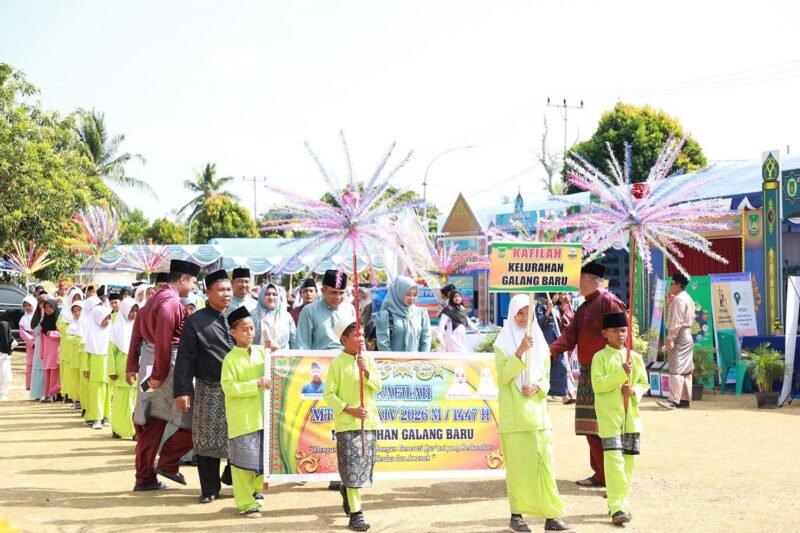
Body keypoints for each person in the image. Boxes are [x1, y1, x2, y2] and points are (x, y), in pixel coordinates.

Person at [494, 294, 572, 532]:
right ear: (512, 314)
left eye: (528, 313)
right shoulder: (502, 343)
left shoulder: (539, 339)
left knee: (545, 467)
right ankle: (516, 516)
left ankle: (552, 516)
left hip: (538, 416)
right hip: (515, 419)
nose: (524, 317)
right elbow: (503, 377)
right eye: (520, 313)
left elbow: (546, 377)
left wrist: (538, 386)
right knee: (518, 470)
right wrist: (518, 352)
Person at [548, 262, 626, 489]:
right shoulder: (584, 308)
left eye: (577, 280)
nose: (575, 285)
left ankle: (608, 475)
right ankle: (600, 473)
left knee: (606, 426)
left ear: (586, 279)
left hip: (606, 371)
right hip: (587, 370)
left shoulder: (609, 301)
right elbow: (569, 336)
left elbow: (624, 334)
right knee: (589, 426)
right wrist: (550, 351)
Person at [126, 259, 201, 491]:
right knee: (197, 417)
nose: (194, 287)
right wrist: (159, 374)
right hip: (167, 367)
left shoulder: (151, 301)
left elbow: (137, 335)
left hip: (148, 366)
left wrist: (132, 365)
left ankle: (145, 477)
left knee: (150, 422)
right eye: (194, 282)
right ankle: (168, 462)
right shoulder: (170, 304)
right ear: (182, 279)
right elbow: (164, 343)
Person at [174, 269, 235, 503]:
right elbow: (185, 358)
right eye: (221, 290)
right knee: (207, 441)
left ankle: (234, 478)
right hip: (209, 388)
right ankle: (210, 489)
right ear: (208, 292)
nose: (226, 294)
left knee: (241, 438)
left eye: (228, 289)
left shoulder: (239, 316)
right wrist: (182, 390)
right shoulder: (195, 322)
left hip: (240, 390)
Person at [323, 316, 382, 532]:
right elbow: (328, 395)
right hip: (347, 424)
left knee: (361, 469)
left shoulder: (368, 359)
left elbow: (378, 386)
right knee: (353, 469)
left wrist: (366, 370)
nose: (361, 339)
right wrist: (349, 409)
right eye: (356, 335)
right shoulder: (337, 364)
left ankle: (345, 488)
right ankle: (356, 514)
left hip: (369, 422)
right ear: (344, 339)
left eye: (363, 335)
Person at [591, 312, 649, 526]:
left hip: (631, 419)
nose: (620, 335)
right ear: (605, 333)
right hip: (609, 420)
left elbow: (644, 383)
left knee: (628, 465)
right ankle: (617, 508)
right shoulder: (600, 358)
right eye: (615, 331)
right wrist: (620, 374)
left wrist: (634, 391)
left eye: (623, 330)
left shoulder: (635, 358)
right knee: (614, 463)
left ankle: (623, 504)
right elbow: (598, 385)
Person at [220, 306, 269, 518]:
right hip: (242, 418)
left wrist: (274, 351)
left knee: (261, 460)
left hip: (262, 416)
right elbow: (229, 388)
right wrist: (255, 384)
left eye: (252, 328)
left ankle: (256, 491)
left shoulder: (261, 353)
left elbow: (276, 368)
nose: (250, 333)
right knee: (241, 464)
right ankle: (246, 503)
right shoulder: (230, 359)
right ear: (233, 333)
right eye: (244, 330)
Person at [658, 273, 696, 410]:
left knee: (676, 367)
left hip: (679, 334)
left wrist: (670, 338)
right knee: (685, 369)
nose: (670, 285)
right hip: (686, 334)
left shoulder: (679, 300)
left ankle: (673, 400)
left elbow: (676, 321)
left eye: (673, 283)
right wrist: (671, 302)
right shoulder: (686, 298)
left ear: (679, 285)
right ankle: (684, 399)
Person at [297, 270, 356, 351]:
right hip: (320, 361)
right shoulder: (309, 311)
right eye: (334, 293)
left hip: (347, 361)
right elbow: (303, 345)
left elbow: (357, 340)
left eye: (341, 293)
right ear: (323, 291)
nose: (338, 297)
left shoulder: (350, 309)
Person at [108, 298, 138, 440]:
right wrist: (112, 371)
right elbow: (111, 352)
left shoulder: (139, 328)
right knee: (120, 403)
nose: (133, 314)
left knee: (135, 402)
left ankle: (134, 430)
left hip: (136, 372)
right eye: (131, 311)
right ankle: (118, 429)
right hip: (121, 372)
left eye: (135, 311)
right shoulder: (116, 329)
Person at [375, 276, 431, 353]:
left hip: (416, 363)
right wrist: (396, 363)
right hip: (393, 363)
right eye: (408, 294)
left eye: (415, 295)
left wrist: (421, 360)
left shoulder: (421, 314)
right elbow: (383, 344)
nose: (412, 298)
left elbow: (426, 339)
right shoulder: (386, 315)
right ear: (398, 293)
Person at [83, 305, 113, 430]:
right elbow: (86, 353)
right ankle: (96, 417)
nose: (106, 322)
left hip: (108, 367)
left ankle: (105, 416)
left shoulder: (111, 332)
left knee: (107, 393)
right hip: (95, 368)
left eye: (108, 319)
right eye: (104, 319)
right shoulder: (90, 334)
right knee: (96, 393)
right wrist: (86, 368)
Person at [251, 283, 297, 350]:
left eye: (274, 294)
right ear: (261, 296)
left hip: (282, 357)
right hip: (259, 358)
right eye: (267, 294)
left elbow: (294, 340)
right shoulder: (253, 316)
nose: (271, 297)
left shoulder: (286, 316)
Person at [40, 298, 62, 401]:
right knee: (48, 373)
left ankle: (54, 393)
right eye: (46, 307)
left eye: (50, 307)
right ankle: (48, 393)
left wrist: (51, 333)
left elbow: (63, 335)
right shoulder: (44, 323)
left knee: (55, 373)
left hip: (56, 351)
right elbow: (41, 339)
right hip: (47, 352)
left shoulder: (59, 321)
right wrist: (41, 352)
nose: (48, 310)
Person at [64, 301, 84, 411]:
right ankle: (76, 400)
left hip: (83, 356)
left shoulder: (86, 323)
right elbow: (67, 338)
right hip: (73, 355)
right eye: (74, 311)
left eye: (79, 310)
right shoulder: (71, 325)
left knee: (82, 380)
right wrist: (76, 339)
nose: (77, 313)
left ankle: (83, 400)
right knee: (75, 380)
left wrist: (77, 339)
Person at [28, 295, 48, 401]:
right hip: (40, 343)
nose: (43, 306)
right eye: (41, 303)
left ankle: (47, 392)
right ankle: (38, 392)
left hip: (49, 344)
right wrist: (42, 318)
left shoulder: (52, 316)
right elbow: (37, 332)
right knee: (39, 366)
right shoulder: (36, 317)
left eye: (45, 303)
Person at [20, 295, 36, 390]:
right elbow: (22, 332)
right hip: (30, 344)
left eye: (29, 305)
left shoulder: (37, 317)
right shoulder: (24, 319)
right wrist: (31, 342)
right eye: (25, 306)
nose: (27, 308)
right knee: (30, 363)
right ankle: (29, 384)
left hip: (40, 341)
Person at [0, 320, 15, 401]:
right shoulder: (10, 338)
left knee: (5, 376)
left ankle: (2, 394)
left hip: (5, 358)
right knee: (5, 376)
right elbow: (13, 345)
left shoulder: (11, 338)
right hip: (5, 358)